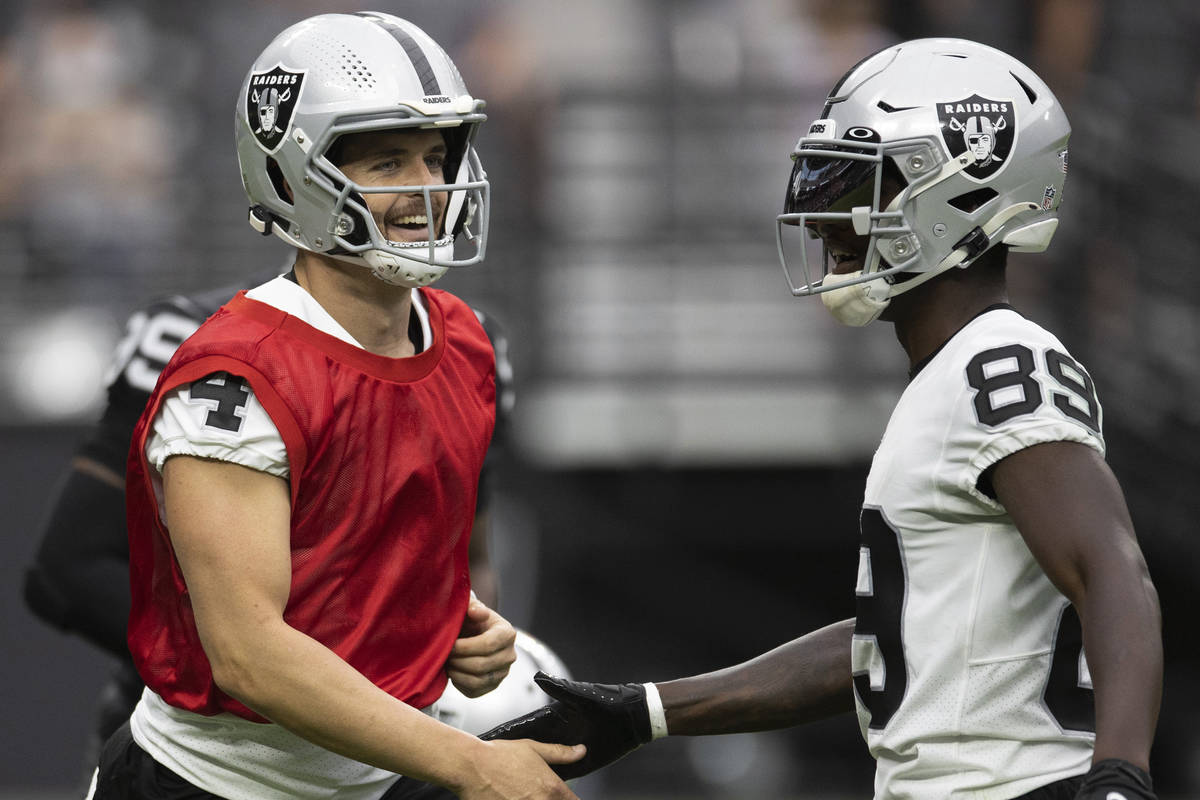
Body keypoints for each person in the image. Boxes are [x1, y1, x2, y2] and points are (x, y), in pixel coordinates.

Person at [483, 38, 1163, 800]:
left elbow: (1115, 572)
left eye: (855, 183)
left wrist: (1120, 776)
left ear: (954, 197)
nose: (823, 213)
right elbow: (890, 641)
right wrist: (645, 712)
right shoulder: (953, 377)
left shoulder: (998, 361)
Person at [83, 12, 582, 800]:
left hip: (379, 775)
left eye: (436, 156)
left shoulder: (466, 342)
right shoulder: (236, 378)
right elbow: (250, 654)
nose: (430, 187)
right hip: (217, 784)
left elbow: (366, 555)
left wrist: (449, 624)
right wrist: (467, 759)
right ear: (291, 175)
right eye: (390, 161)